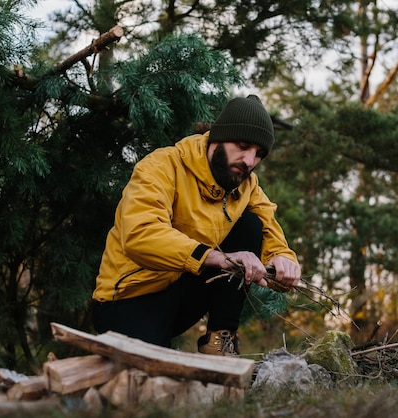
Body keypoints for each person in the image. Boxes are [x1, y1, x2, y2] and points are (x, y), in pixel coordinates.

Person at [91, 94, 301, 356]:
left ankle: (220, 342)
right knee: (154, 381)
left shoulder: (247, 185)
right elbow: (140, 236)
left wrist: (283, 260)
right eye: (243, 145)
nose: (249, 161)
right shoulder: (163, 165)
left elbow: (269, 228)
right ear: (218, 137)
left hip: (182, 295)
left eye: (258, 154)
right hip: (129, 299)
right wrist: (219, 258)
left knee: (250, 224)